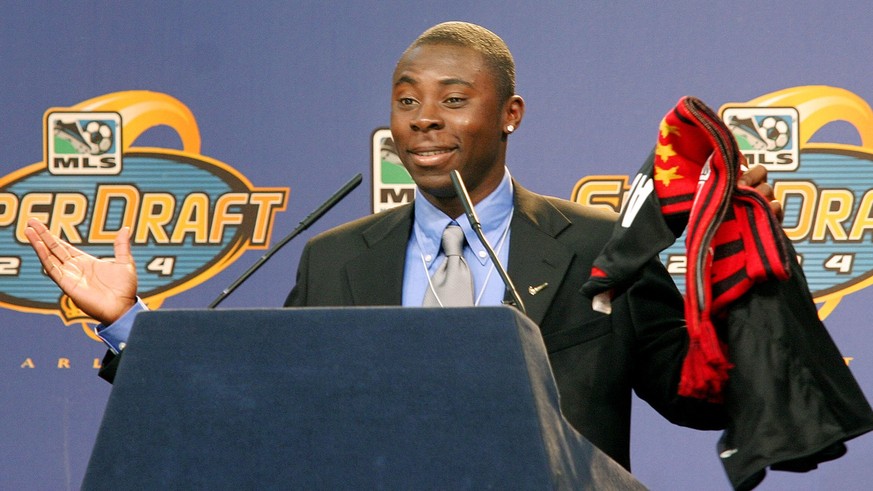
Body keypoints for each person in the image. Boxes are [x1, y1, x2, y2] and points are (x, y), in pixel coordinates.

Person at [25, 21, 781, 470]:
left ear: (510, 112)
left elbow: (700, 399)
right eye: (406, 98)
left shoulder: (595, 245)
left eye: (454, 99)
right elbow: (261, 407)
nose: (423, 118)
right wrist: (131, 321)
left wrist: (741, 274)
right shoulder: (335, 258)